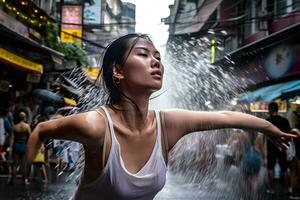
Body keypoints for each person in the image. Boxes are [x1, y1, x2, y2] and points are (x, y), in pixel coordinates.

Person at [24, 33, 297, 200]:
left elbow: (225, 116)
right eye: (143, 55)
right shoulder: (96, 126)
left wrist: (268, 129)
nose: (156, 61)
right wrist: (24, 174)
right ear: (117, 71)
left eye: (157, 55)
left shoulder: (167, 124)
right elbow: (41, 131)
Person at [265, 102, 291, 194]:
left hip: (271, 147)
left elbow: (266, 136)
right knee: (284, 168)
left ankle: (271, 189)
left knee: (270, 168)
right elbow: (288, 134)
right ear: (277, 109)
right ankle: (287, 188)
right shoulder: (284, 120)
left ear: (270, 110)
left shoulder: (267, 121)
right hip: (282, 147)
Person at [9, 112, 31, 184]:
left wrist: (10, 147)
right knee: (24, 164)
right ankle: (24, 180)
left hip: (16, 145)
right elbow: (30, 137)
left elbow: (12, 138)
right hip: (24, 145)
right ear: (24, 117)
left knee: (15, 164)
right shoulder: (27, 126)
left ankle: (12, 179)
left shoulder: (15, 127)